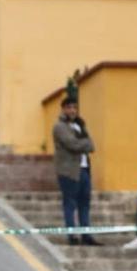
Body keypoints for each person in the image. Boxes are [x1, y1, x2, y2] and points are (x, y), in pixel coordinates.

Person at [48, 96, 98, 246]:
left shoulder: (80, 125)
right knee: (70, 203)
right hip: (69, 170)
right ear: (63, 109)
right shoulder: (59, 126)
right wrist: (84, 143)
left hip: (84, 169)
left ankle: (86, 235)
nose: (73, 110)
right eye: (69, 107)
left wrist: (83, 143)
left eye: (75, 108)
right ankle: (72, 235)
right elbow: (72, 144)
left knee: (85, 203)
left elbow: (92, 145)